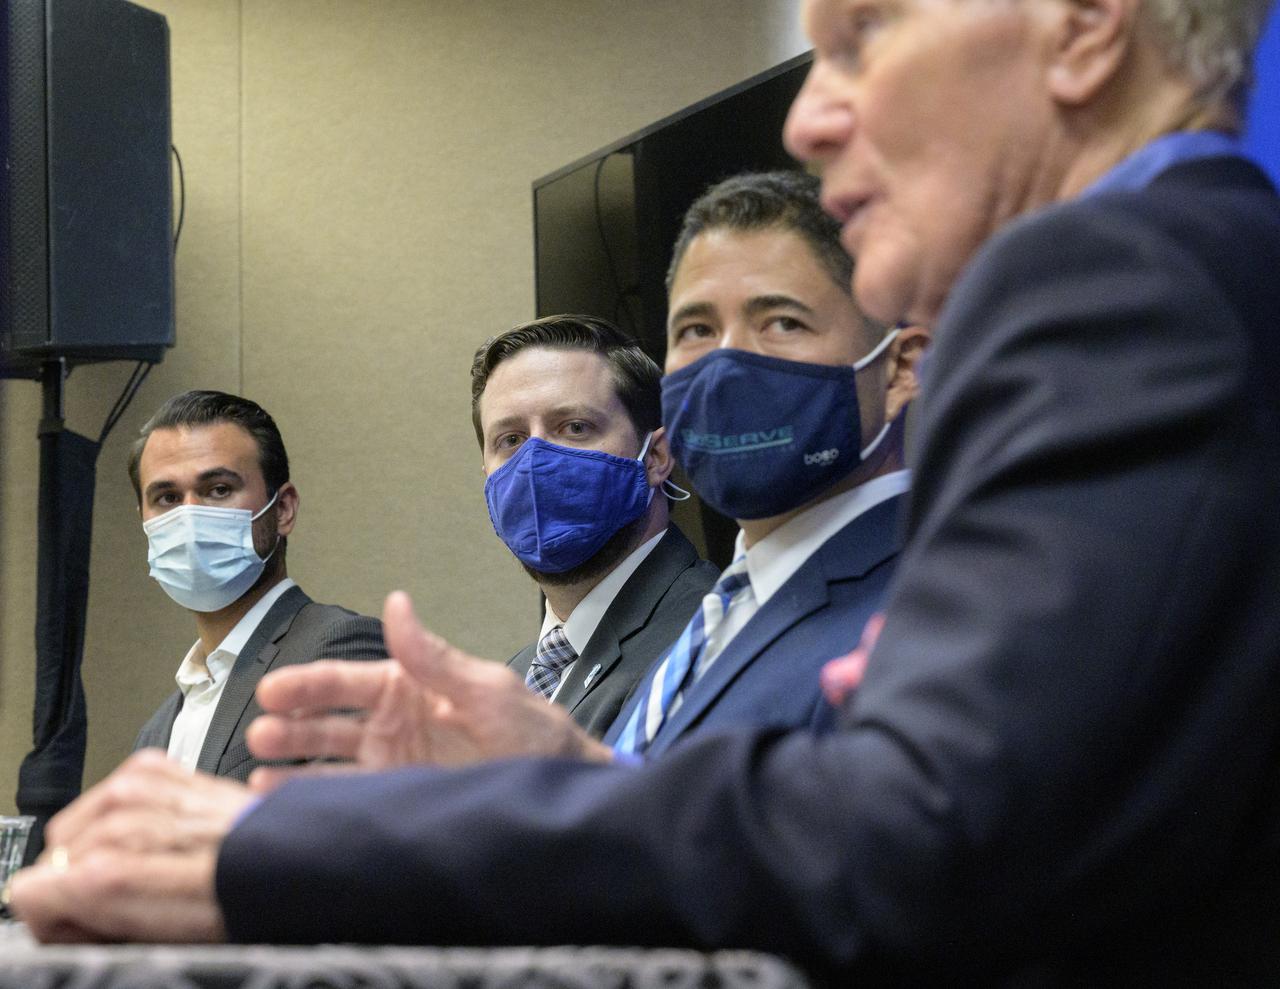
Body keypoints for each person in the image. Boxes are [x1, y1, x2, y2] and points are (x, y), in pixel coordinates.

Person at [9, 0, 1280, 981]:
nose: (810, 118)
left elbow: (919, 833)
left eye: (861, 37)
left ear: (1083, 26)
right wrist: (566, 770)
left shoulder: (1123, 282)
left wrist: (302, 846)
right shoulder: (1178, 272)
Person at [238, 170, 925, 780]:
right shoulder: (729, 614)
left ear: (899, 369)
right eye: (695, 330)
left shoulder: (927, 611)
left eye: (780, 321)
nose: (726, 363)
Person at [473, 315, 718, 737]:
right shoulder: (513, 681)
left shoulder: (711, 634)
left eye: (574, 427)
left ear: (656, 457)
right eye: (510, 439)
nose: (535, 462)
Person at [129, 390, 386, 780]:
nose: (189, 517)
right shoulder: (157, 732)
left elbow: (349, 829)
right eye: (167, 498)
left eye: (218, 490)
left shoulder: (337, 651)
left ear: (282, 509)